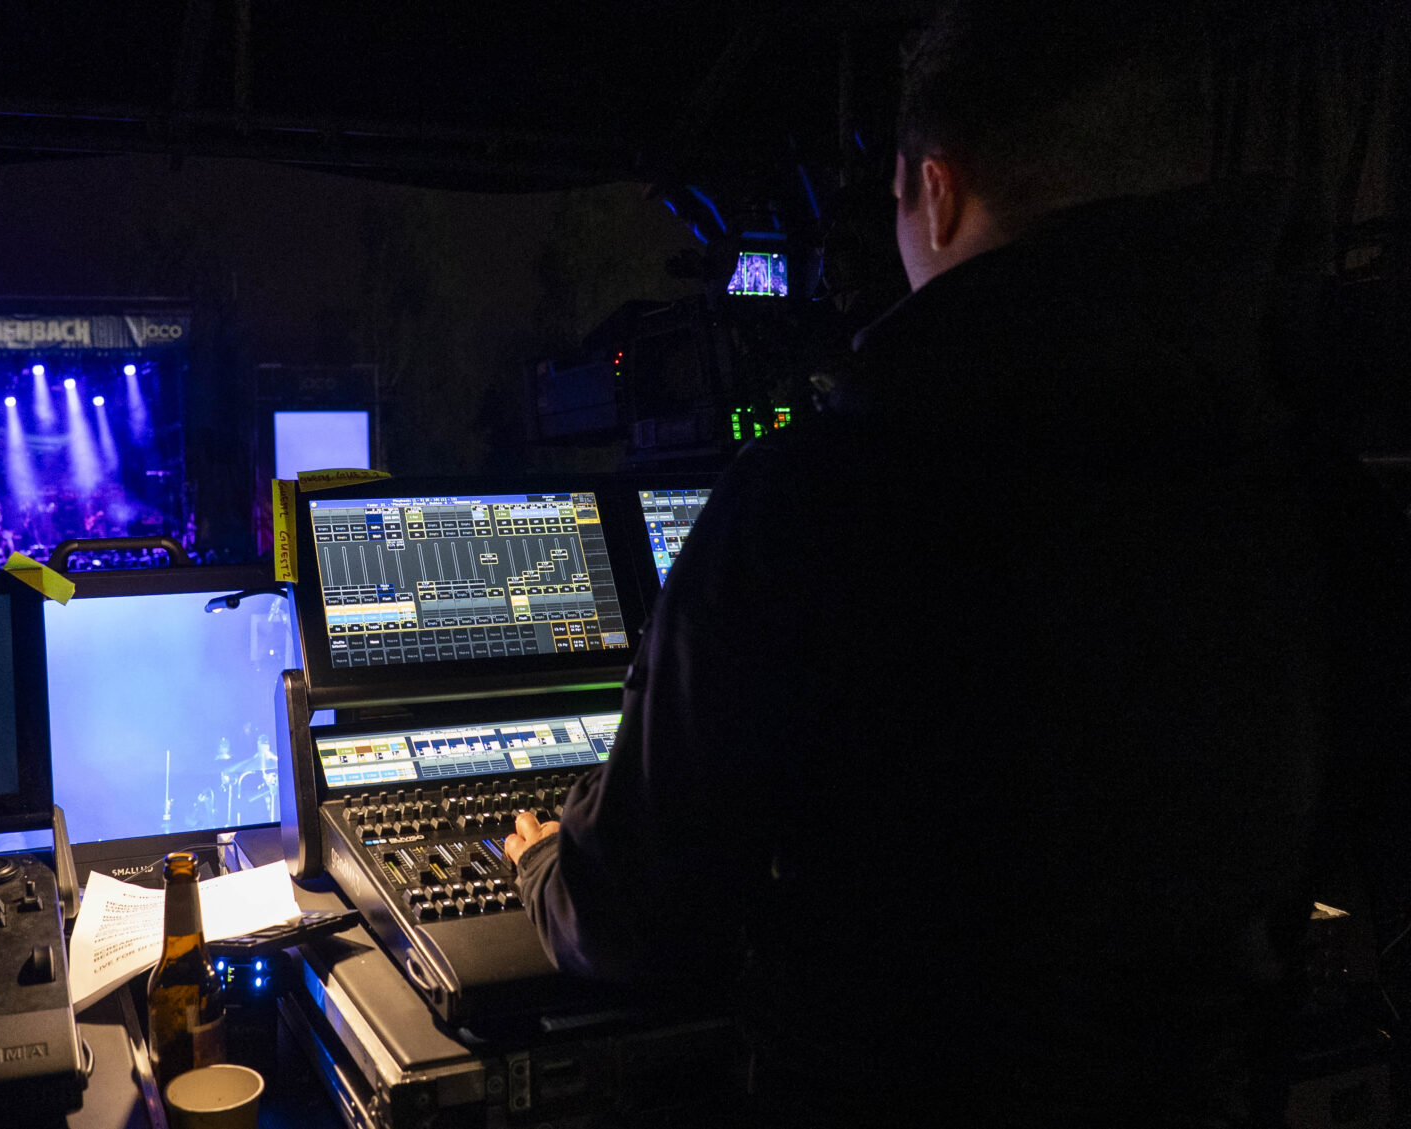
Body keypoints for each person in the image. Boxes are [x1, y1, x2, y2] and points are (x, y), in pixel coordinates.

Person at [506, 4, 1411, 1125]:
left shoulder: (811, 502)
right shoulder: (1326, 495)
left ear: (934, 191)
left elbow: (637, 914)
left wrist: (545, 862)